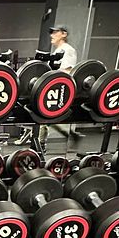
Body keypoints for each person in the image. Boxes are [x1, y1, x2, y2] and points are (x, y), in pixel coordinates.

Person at [39, 23, 83, 151]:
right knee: (45, 118)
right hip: (52, 87)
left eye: (55, 32)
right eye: (51, 32)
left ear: (64, 34)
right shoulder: (57, 51)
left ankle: (41, 145)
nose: (52, 35)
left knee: (45, 116)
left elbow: (67, 71)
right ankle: (42, 145)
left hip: (59, 88)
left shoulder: (67, 50)